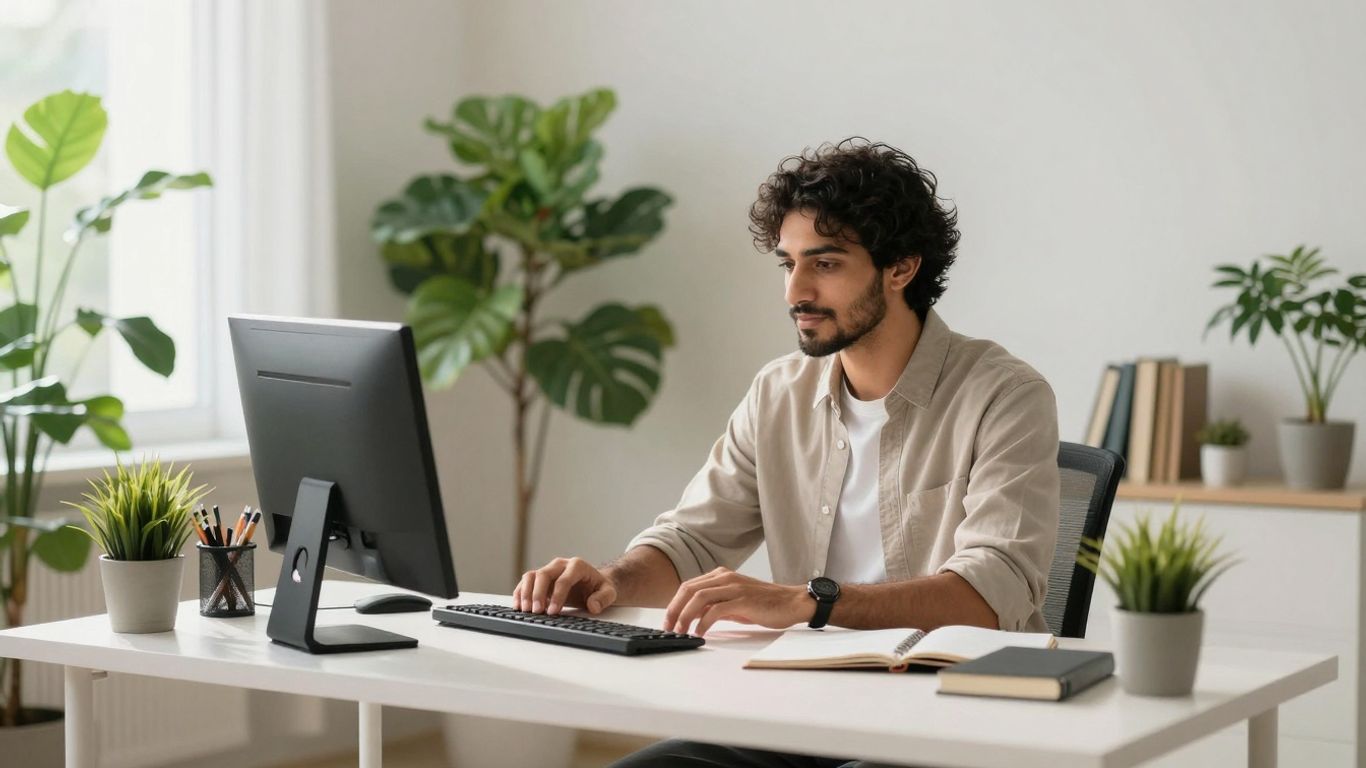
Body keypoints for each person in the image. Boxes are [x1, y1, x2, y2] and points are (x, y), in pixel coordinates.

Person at [514, 138, 1060, 768]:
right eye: (788, 263)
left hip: (957, 719)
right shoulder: (778, 392)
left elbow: (990, 596)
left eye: (824, 264)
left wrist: (811, 600)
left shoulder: (1005, 394)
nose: (795, 290)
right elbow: (691, 540)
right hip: (807, 709)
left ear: (901, 268)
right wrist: (611, 584)